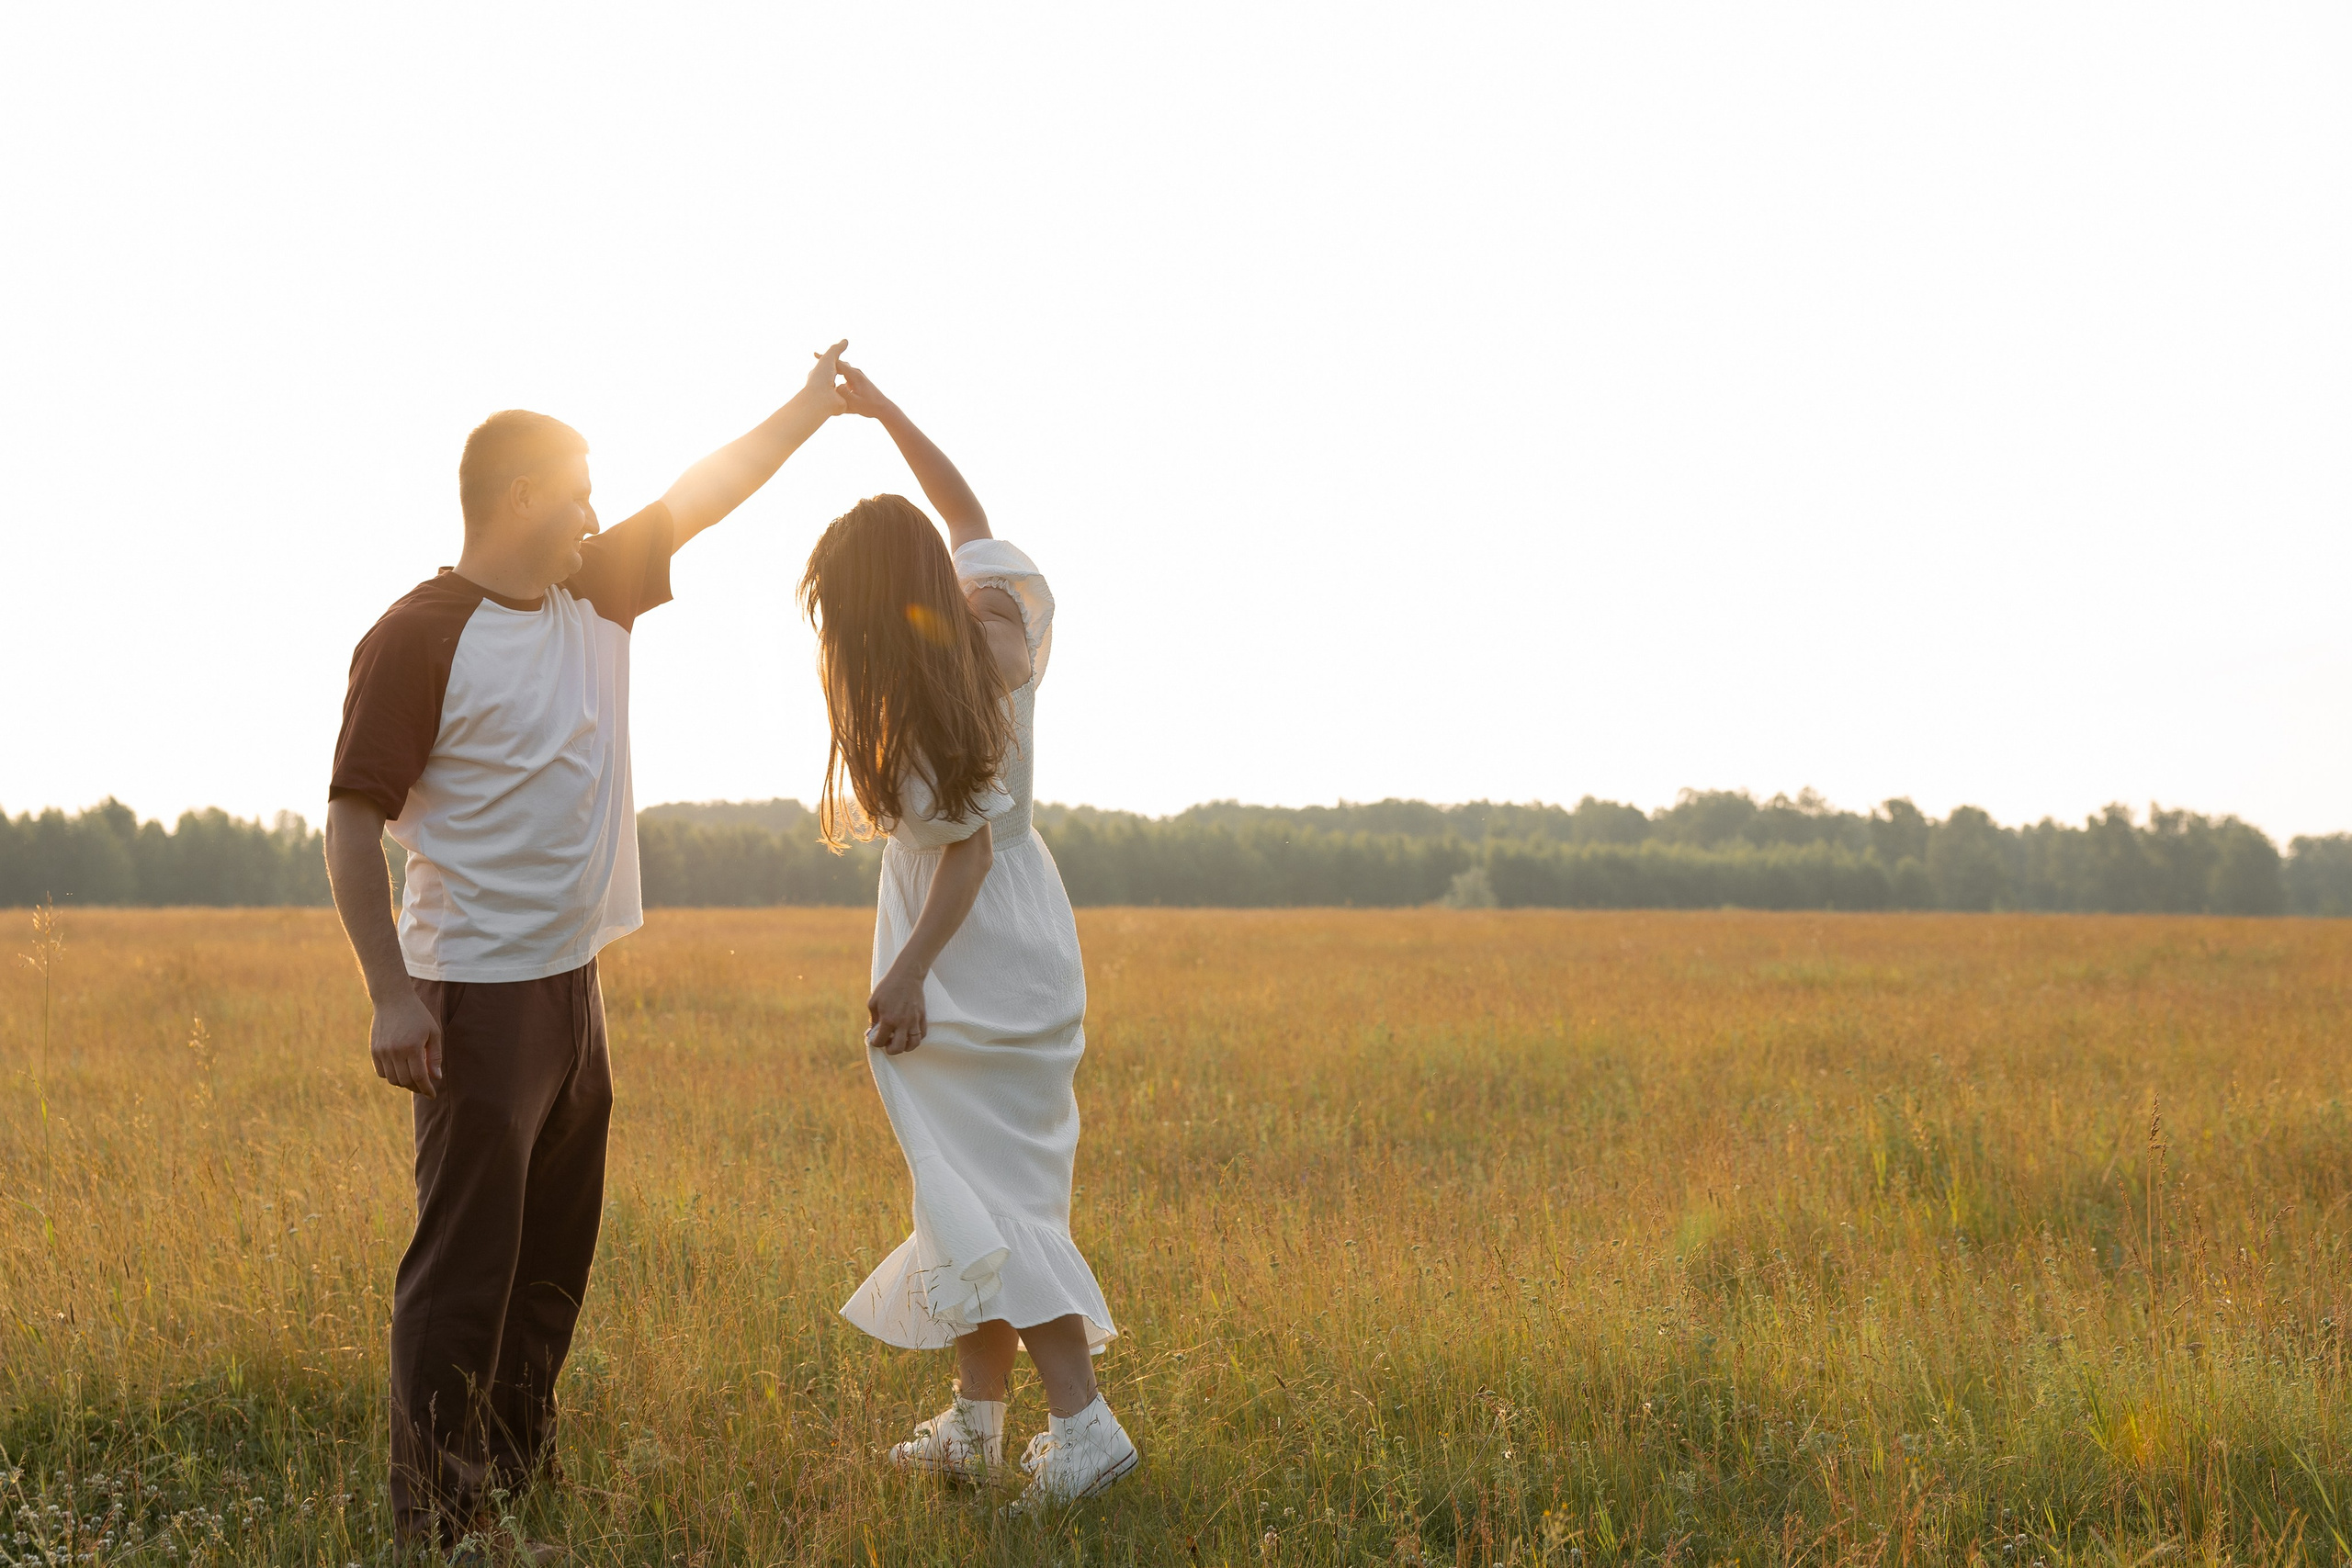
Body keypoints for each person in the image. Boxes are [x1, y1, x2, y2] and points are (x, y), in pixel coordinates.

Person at [323, 343, 848, 1558]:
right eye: (577, 493)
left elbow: (710, 489)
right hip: (473, 994)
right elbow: (351, 820)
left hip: (575, 986)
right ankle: (443, 1526)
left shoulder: (595, 590)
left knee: (551, 1265)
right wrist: (390, 994)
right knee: (464, 1270)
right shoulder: (417, 635)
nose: (597, 517)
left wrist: (812, 409)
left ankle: (512, 1483)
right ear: (518, 498)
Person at [808, 361, 1137, 1511]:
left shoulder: (922, 700)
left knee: (987, 1201)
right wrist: (888, 413)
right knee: (975, 1193)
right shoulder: (993, 633)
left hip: (964, 960)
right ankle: (976, 1424)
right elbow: (970, 516)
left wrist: (903, 975)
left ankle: (1084, 1427)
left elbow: (963, 853)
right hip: (1024, 942)